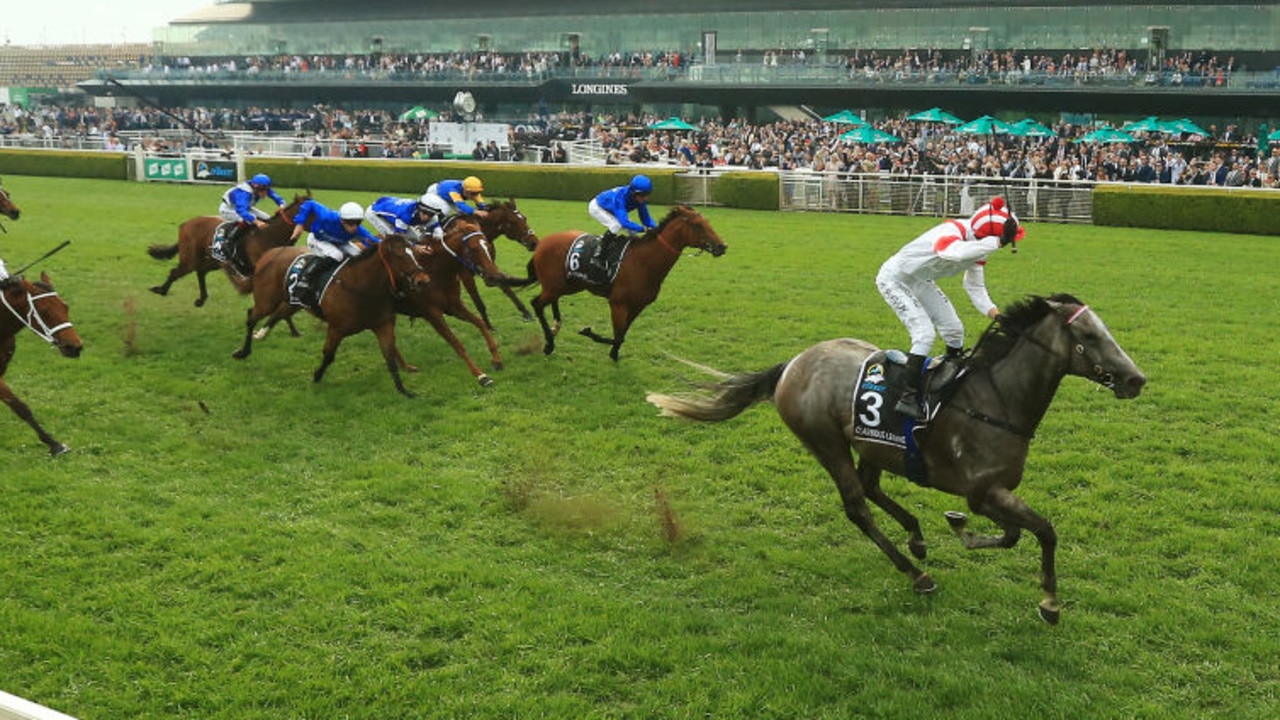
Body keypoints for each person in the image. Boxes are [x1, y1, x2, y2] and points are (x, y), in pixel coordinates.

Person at [875, 196, 1024, 420]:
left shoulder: (980, 247)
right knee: (924, 334)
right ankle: (907, 397)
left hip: (920, 280)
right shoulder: (952, 231)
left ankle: (949, 382)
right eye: (998, 240)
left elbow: (974, 286)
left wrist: (996, 315)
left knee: (954, 330)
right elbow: (952, 252)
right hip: (894, 279)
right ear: (988, 235)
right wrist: (997, 242)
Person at [289, 199, 380, 264]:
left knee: (357, 255)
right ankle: (308, 276)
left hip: (340, 242)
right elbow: (309, 203)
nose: (355, 227)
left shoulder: (359, 231)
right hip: (317, 239)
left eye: (358, 222)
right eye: (351, 223)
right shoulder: (327, 216)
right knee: (337, 255)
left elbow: (373, 241)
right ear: (342, 221)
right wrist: (300, 223)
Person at [218, 173, 285, 247]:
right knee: (248, 221)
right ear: (255, 188)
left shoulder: (261, 187)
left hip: (245, 208)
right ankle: (228, 240)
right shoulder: (243, 193)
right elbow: (241, 211)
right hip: (229, 209)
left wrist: (282, 206)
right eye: (263, 191)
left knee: (267, 218)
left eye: (266, 190)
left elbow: (277, 197)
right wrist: (257, 221)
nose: (265, 193)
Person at [588, 174, 656, 245]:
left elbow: (646, 219)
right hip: (597, 207)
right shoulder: (620, 199)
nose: (645, 198)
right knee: (616, 225)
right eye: (642, 195)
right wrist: (643, 229)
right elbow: (624, 222)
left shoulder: (639, 198)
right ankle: (600, 249)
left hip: (613, 210)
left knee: (632, 231)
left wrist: (655, 228)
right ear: (633, 193)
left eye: (647, 194)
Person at [365, 193, 449, 241]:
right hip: (375, 213)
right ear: (418, 208)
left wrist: (439, 235)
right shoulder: (406, 214)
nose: (427, 217)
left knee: (417, 238)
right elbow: (400, 237)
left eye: (430, 214)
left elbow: (437, 229)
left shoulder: (433, 217)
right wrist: (416, 247)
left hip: (393, 209)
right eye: (425, 212)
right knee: (394, 240)